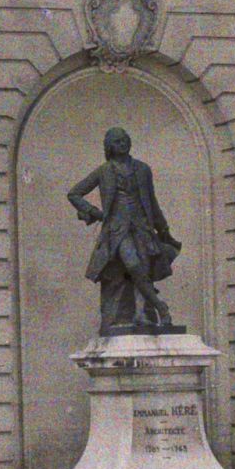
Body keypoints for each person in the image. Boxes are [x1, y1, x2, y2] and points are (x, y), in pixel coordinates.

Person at [67, 127, 181, 334]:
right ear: (109, 146)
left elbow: (152, 202)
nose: (123, 144)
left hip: (142, 226)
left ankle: (141, 314)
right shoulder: (104, 171)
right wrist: (95, 212)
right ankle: (160, 306)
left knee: (144, 268)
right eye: (117, 141)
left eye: (125, 140)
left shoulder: (143, 169)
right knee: (133, 264)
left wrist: (163, 229)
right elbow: (74, 193)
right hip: (117, 229)